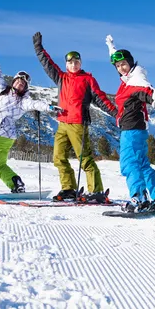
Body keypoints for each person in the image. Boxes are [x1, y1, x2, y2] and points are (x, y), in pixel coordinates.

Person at [33, 32, 118, 203]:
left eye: (76, 62)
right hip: (62, 123)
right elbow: (47, 64)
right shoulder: (61, 77)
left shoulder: (87, 79)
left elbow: (100, 98)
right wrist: (38, 48)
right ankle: (69, 189)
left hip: (78, 124)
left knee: (84, 159)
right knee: (58, 157)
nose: (73, 65)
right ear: (66, 64)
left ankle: (96, 191)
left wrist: (115, 113)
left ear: (80, 63)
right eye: (70, 62)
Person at [0, 42, 60, 195]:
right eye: (18, 80)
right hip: (7, 138)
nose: (20, 83)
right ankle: (16, 183)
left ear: (25, 88)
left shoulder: (23, 101)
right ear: (13, 82)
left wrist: (49, 107)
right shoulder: (3, 90)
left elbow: (35, 103)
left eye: (23, 83)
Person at [104, 35, 155, 212]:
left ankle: (139, 198)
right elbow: (119, 63)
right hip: (136, 129)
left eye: (124, 64)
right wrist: (112, 47)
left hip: (132, 129)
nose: (121, 68)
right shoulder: (127, 79)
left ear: (131, 63)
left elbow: (150, 92)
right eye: (118, 66)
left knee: (129, 163)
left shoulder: (136, 81)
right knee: (142, 164)